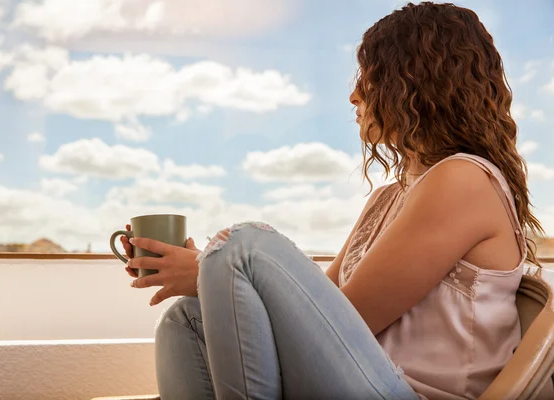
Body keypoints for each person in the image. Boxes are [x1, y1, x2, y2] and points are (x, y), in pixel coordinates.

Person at [120, 2, 545, 399]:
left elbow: (350, 320)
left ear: (415, 83)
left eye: (371, 77)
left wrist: (214, 268)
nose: (354, 95)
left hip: (408, 392)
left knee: (241, 248)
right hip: (359, 378)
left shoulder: (463, 179)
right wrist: (212, 278)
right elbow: (320, 308)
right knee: (186, 321)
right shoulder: (388, 198)